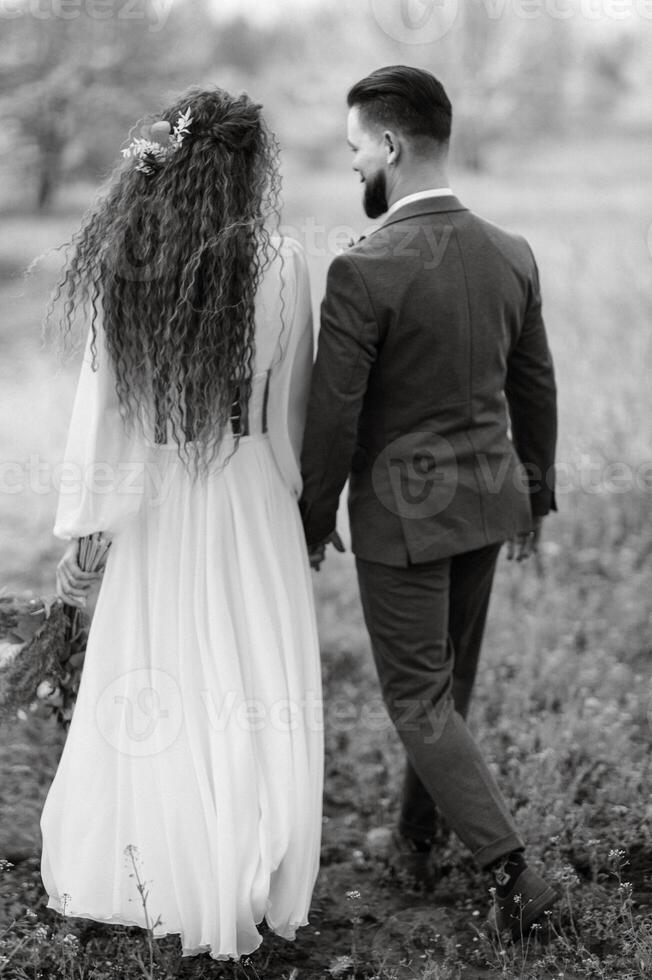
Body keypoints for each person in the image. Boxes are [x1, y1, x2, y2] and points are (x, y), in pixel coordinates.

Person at [43, 87, 323, 961]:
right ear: (251, 174)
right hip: (250, 500)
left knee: (158, 687)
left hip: (161, 504)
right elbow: (291, 419)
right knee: (248, 687)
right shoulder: (284, 263)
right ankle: (246, 869)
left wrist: (89, 532)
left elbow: (106, 414)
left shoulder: (134, 263)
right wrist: (290, 501)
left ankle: (157, 868)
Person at [300, 66, 559, 941]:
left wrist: (310, 518)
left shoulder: (363, 270)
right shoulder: (510, 250)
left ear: (391, 147)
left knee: (418, 700)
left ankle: (513, 871)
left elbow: (333, 417)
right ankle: (414, 842)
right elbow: (536, 385)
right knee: (448, 692)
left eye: (354, 152)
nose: (353, 170)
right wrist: (536, 492)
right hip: (487, 505)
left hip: (402, 524)